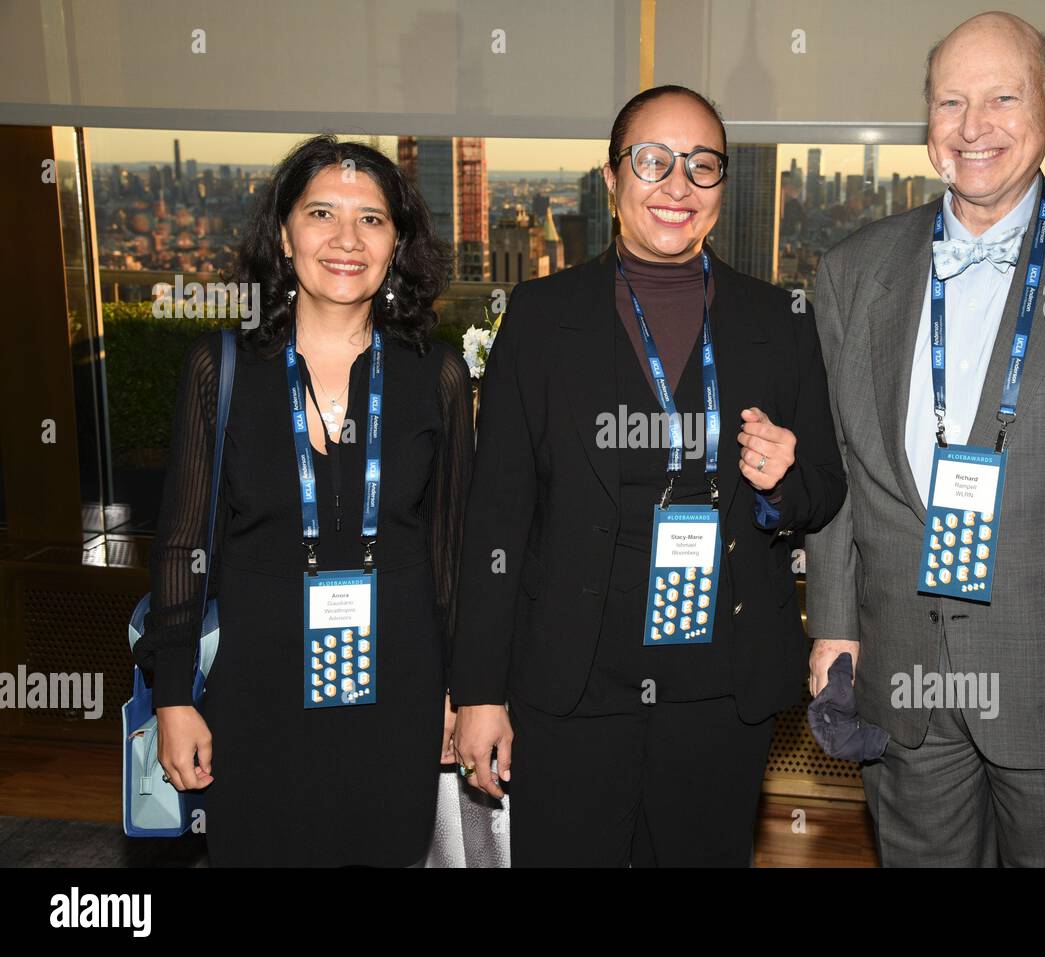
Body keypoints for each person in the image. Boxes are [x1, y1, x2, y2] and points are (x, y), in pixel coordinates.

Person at [805, 11, 1045, 867]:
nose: (972, 126)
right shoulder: (851, 272)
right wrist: (834, 625)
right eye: (950, 102)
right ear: (927, 122)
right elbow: (842, 468)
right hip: (901, 674)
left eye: (1001, 98)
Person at [451, 85, 846, 867]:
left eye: (702, 166)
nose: (677, 185)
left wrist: (780, 479)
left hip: (718, 687)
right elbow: (494, 519)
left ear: (722, 187)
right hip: (570, 683)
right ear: (611, 179)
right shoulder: (537, 317)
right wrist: (479, 693)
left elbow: (824, 490)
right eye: (653, 161)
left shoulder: (779, 321)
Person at [132, 134, 472, 867]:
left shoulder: (435, 374)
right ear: (284, 235)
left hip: (400, 687)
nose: (346, 239)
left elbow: (454, 552)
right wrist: (173, 695)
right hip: (256, 694)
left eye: (372, 219)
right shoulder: (219, 369)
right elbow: (182, 545)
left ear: (397, 243)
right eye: (322, 213)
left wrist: (462, 688)